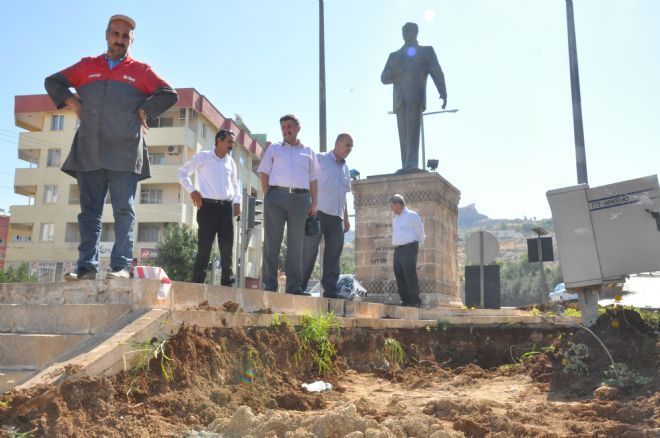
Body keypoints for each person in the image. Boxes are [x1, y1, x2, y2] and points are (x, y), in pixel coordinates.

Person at [45, 14, 178, 280]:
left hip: (125, 152)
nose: (119, 40)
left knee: (124, 210)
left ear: (131, 40)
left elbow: (169, 94)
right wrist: (73, 102)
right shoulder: (86, 66)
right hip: (89, 150)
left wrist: (144, 109)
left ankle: (120, 267)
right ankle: (86, 267)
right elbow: (53, 81)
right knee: (89, 213)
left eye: (125, 36)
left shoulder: (141, 71)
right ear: (107, 35)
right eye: (115, 34)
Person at [258, 114, 319, 295]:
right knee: (272, 242)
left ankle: (294, 287)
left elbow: (314, 178)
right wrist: (268, 195)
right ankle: (269, 285)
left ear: (298, 128)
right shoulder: (274, 149)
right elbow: (263, 172)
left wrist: (315, 201)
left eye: (289, 127)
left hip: (301, 200)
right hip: (275, 197)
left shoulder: (308, 151)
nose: (286, 130)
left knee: (296, 244)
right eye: (283, 128)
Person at [177, 129, 241, 285]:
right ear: (219, 140)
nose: (231, 146)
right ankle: (197, 284)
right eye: (229, 142)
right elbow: (181, 173)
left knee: (227, 249)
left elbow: (235, 184)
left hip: (226, 209)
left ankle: (227, 283)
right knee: (204, 248)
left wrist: (237, 201)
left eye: (232, 143)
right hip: (207, 208)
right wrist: (192, 191)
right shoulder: (203, 157)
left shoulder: (230, 162)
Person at [381, 22, 447, 171]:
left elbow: (436, 71)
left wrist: (442, 92)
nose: (406, 33)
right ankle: (405, 164)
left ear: (416, 32)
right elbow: (383, 78)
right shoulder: (394, 55)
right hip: (399, 101)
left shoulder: (426, 51)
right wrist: (394, 73)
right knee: (403, 134)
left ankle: (411, 163)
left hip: (415, 98)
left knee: (413, 131)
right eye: (404, 31)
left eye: (409, 31)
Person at [301, 133, 353, 298]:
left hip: (337, 217)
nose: (349, 149)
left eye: (351, 146)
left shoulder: (345, 168)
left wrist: (346, 218)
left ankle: (330, 291)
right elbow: (307, 180)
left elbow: (344, 195)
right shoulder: (320, 158)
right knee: (309, 251)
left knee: (333, 255)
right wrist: (309, 205)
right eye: (347, 144)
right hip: (318, 212)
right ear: (337, 142)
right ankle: (299, 287)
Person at [389, 194, 426, 306]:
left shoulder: (412, 215)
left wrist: (415, 246)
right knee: (399, 274)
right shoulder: (395, 218)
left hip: (409, 247)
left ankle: (415, 301)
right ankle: (406, 300)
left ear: (398, 204)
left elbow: (420, 232)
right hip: (398, 249)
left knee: (409, 274)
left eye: (392, 205)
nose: (391, 208)